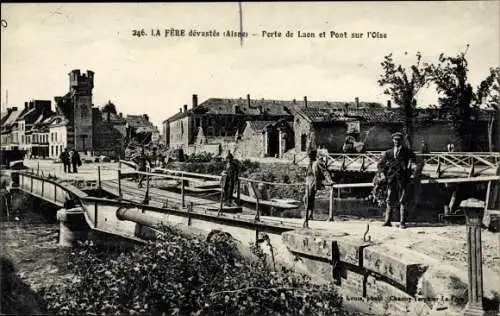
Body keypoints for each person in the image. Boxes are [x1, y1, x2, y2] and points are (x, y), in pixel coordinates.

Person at [377, 132, 419, 229]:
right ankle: (387, 221)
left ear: (402, 141)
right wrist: (383, 173)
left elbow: (417, 161)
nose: (397, 141)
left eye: (399, 140)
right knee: (389, 199)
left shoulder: (407, 151)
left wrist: (411, 170)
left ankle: (402, 223)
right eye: (395, 140)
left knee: (403, 200)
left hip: (403, 179)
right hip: (391, 179)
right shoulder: (388, 152)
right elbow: (380, 165)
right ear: (393, 140)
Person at [304, 150, 324, 220]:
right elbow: (306, 173)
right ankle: (309, 214)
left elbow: (324, 171)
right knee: (307, 199)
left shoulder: (317, 163)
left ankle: (309, 215)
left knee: (309, 198)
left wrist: (329, 180)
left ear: (313, 156)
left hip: (313, 182)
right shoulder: (308, 163)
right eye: (309, 156)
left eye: (310, 156)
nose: (309, 157)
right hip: (307, 182)